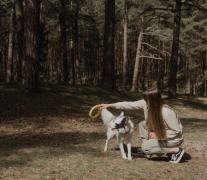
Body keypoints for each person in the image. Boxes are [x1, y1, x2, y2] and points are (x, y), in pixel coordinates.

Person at [99, 87, 184, 163]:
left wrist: (158, 134)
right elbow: (128, 104)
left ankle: (176, 150)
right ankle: (147, 151)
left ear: (154, 100)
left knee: (145, 147)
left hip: (173, 139)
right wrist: (109, 105)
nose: (144, 101)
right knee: (142, 120)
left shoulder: (167, 112)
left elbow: (176, 131)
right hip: (162, 134)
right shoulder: (146, 104)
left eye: (146, 99)